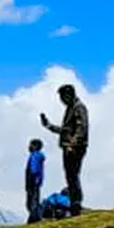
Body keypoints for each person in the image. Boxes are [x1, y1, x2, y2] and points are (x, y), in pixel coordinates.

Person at [41, 85, 90, 216]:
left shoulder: (79, 108)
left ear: (68, 95)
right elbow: (66, 131)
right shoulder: (71, 108)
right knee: (70, 176)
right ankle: (74, 203)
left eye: (62, 97)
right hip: (69, 147)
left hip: (75, 148)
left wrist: (72, 144)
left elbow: (81, 129)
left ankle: (76, 203)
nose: (62, 101)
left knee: (73, 175)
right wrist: (49, 126)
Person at [24, 139, 46, 224]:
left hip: (32, 181)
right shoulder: (38, 155)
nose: (29, 147)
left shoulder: (35, 155)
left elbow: (33, 168)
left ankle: (34, 218)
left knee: (32, 200)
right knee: (35, 199)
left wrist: (32, 179)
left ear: (35, 146)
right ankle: (35, 216)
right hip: (36, 181)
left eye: (31, 145)